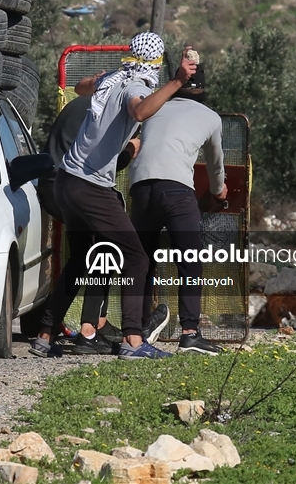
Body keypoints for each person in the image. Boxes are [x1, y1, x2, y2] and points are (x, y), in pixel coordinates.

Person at [33, 31, 196, 360]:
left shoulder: (112, 78)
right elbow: (139, 111)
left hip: (66, 180)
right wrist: (178, 81)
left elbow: (79, 87)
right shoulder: (136, 86)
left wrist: (101, 79)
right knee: (135, 257)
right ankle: (133, 341)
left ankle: (44, 335)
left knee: (81, 260)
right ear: (157, 62)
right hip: (90, 186)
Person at [129, 52, 227, 355]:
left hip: (141, 188)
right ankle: (189, 333)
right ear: (204, 90)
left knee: (142, 263)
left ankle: (138, 330)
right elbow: (215, 167)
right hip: (177, 192)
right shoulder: (211, 118)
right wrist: (220, 192)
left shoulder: (156, 107)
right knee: (189, 262)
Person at [31, 95, 138, 356]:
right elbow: (105, 162)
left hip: (54, 186)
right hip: (82, 188)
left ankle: (46, 334)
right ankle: (89, 333)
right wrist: (133, 148)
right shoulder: (112, 112)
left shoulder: (82, 103)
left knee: (81, 258)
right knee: (106, 254)